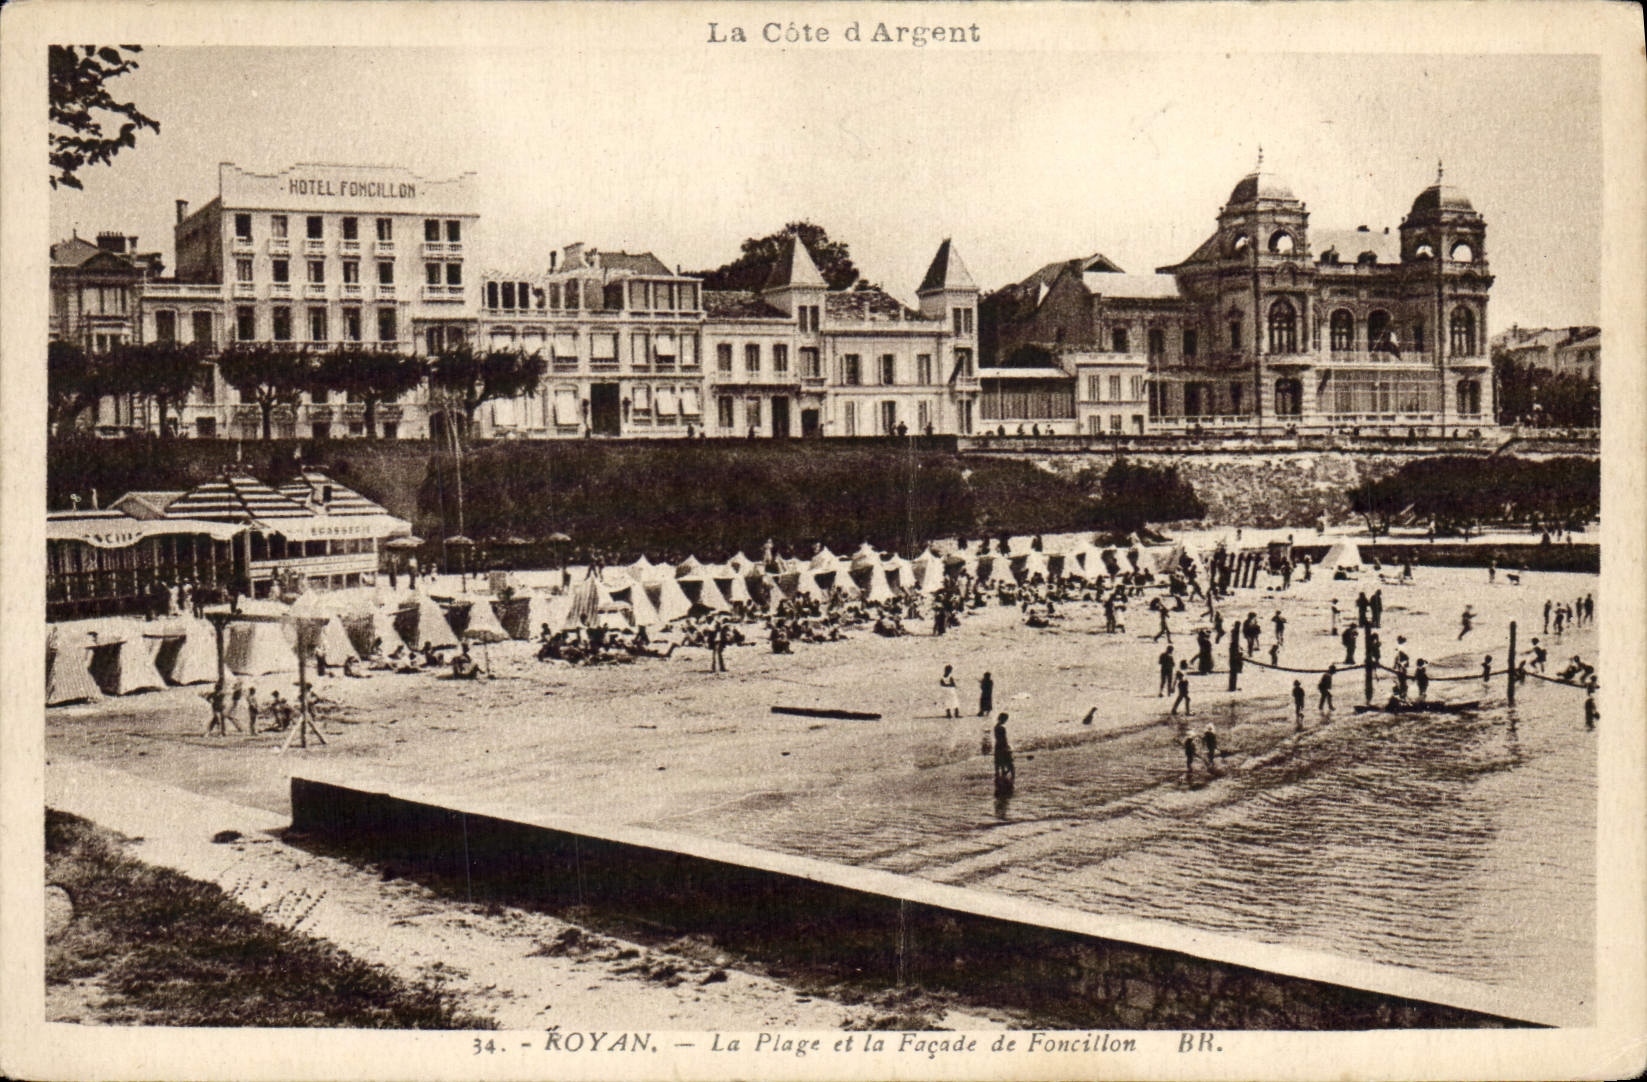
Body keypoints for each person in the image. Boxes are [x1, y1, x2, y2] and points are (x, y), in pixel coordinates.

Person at [993, 713, 1015, 788]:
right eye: (1006, 720)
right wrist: (1007, 748)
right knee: (1010, 765)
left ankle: (998, 782)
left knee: (998, 765)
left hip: (997, 747)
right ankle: (1011, 780)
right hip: (1002, 747)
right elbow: (1004, 739)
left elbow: (999, 738)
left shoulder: (996, 727)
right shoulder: (1002, 728)